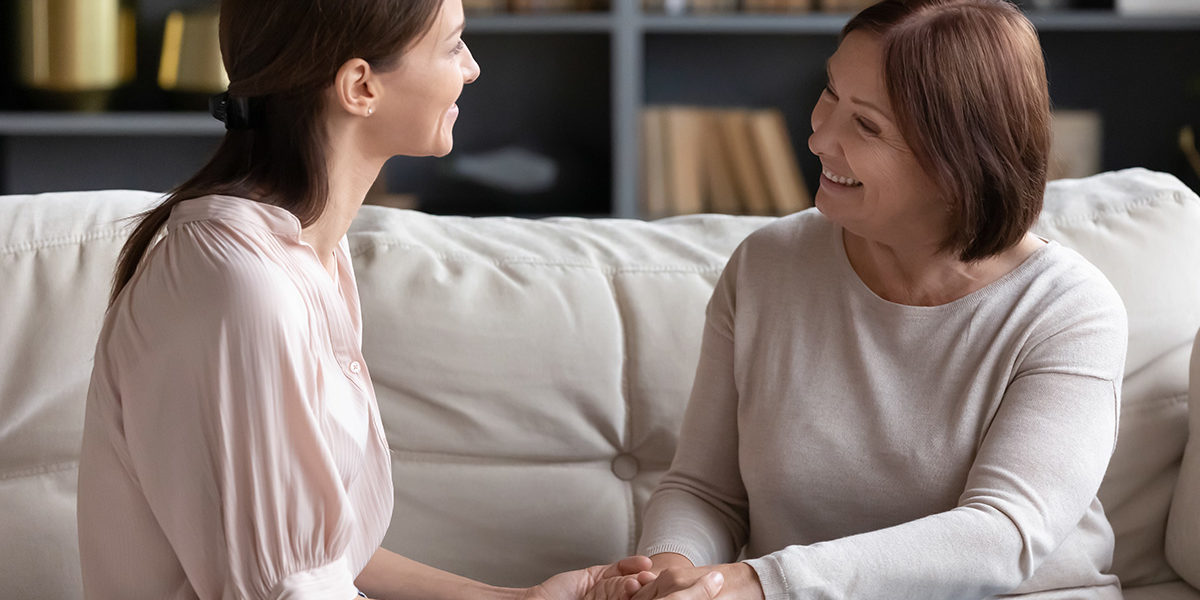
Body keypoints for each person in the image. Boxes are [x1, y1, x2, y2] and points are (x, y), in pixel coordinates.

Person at [75, 0, 722, 598]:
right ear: (361, 86)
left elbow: (324, 560)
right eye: (452, 46)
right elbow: (290, 589)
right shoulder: (242, 285)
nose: (471, 69)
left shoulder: (304, 256)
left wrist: (521, 599)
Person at [625, 0, 1128, 598]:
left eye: (866, 126)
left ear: (960, 162)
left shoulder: (1068, 310)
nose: (817, 135)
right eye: (830, 92)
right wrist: (671, 575)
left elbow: (1003, 535)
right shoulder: (767, 266)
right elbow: (704, 491)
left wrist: (759, 584)